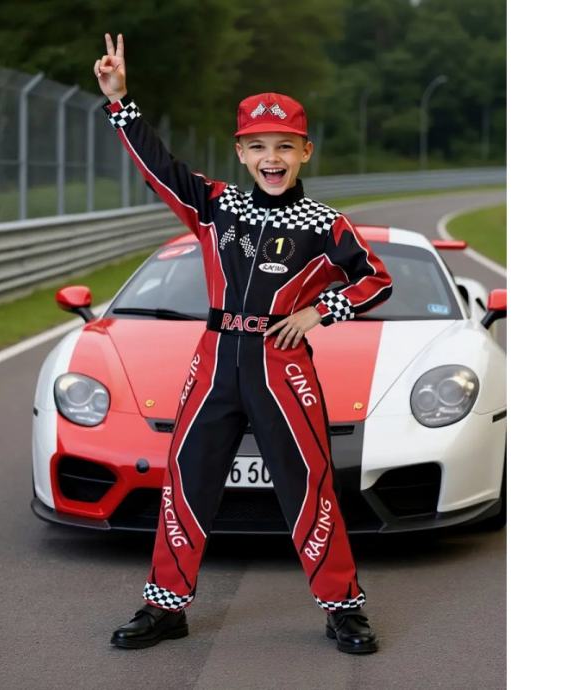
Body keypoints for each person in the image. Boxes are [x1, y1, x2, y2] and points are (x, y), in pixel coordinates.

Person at [94, 33, 393, 655]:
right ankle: (165, 607)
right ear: (241, 152)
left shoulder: (325, 224)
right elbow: (158, 167)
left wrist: (320, 311)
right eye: (257, 146)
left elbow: (375, 280)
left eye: (284, 145)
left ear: (305, 151)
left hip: (282, 366)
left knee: (309, 486)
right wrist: (121, 101)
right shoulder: (215, 205)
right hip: (214, 361)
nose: (271, 157)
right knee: (186, 482)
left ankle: (343, 608)